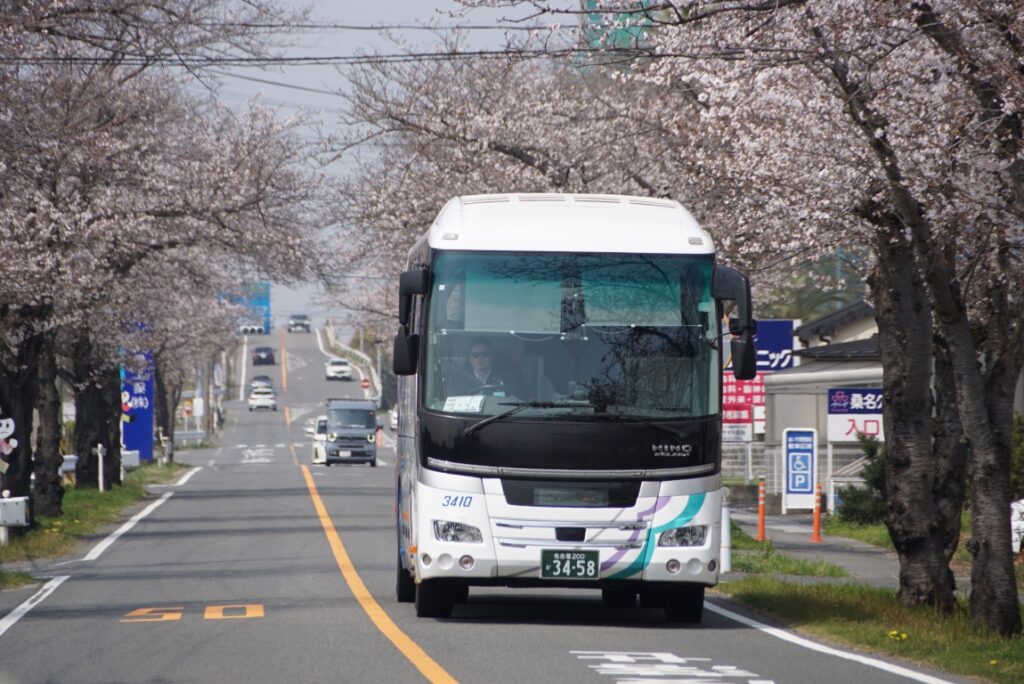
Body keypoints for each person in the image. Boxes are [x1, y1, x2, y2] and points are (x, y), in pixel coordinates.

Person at [449, 339, 523, 397]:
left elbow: (513, 399)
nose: (480, 358)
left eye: (485, 354)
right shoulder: (459, 381)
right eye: (475, 355)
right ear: (470, 359)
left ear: (491, 358)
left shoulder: (505, 378)